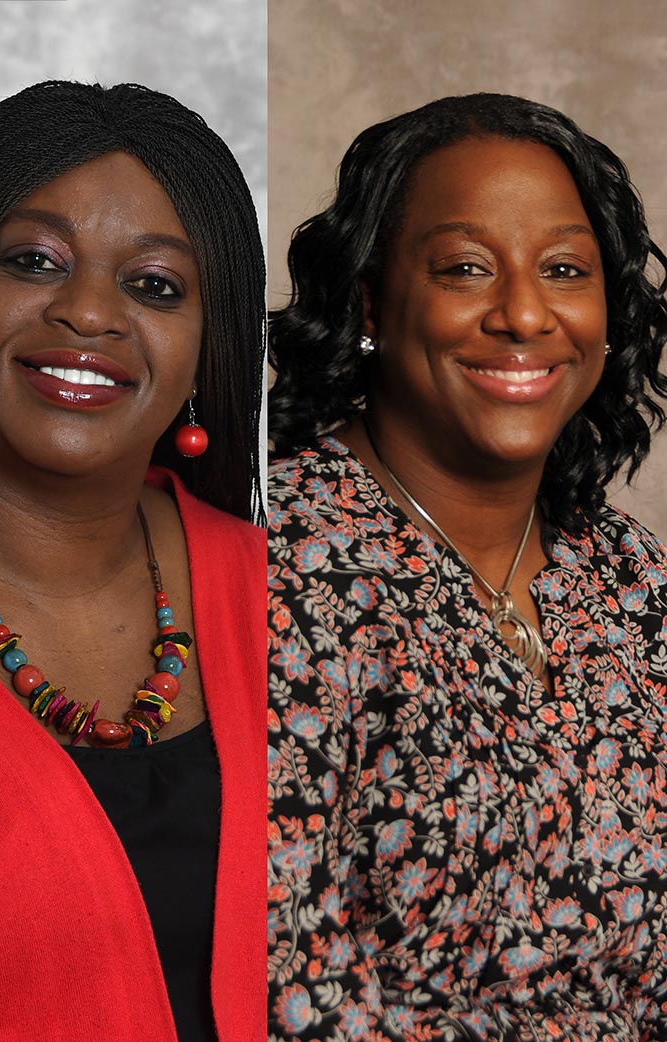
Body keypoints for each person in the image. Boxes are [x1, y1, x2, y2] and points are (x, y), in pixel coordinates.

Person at [0, 80, 266, 1041]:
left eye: (156, 285)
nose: (90, 313)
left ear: (206, 344)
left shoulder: (285, 593)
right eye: (34, 261)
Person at [268, 93, 667, 1038]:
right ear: (371, 301)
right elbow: (288, 987)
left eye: (564, 270)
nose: (525, 313)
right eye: (466, 268)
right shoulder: (276, 569)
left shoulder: (633, 580)